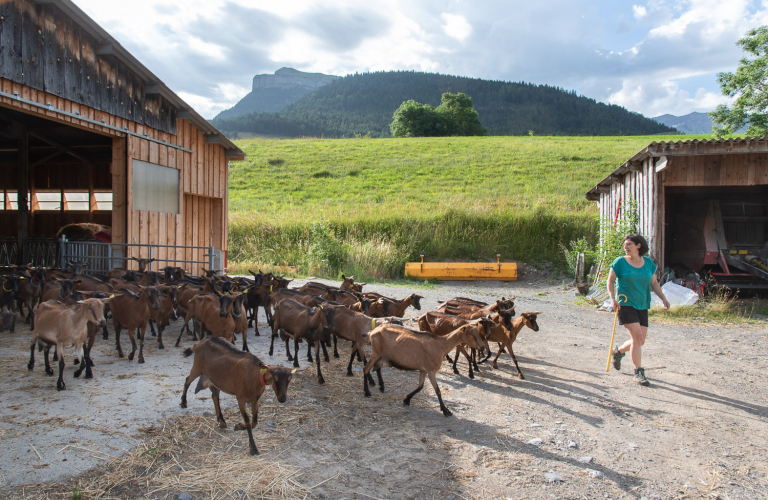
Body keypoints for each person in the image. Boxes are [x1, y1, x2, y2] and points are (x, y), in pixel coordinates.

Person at [607, 234, 669, 386]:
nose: (625, 247)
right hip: (625, 303)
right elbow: (610, 280)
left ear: (638, 246)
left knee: (640, 341)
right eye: (625, 245)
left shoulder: (648, 263)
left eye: (629, 244)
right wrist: (612, 298)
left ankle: (619, 351)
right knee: (637, 336)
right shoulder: (620, 262)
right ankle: (638, 372)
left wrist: (663, 298)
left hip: (643, 304)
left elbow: (654, 283)